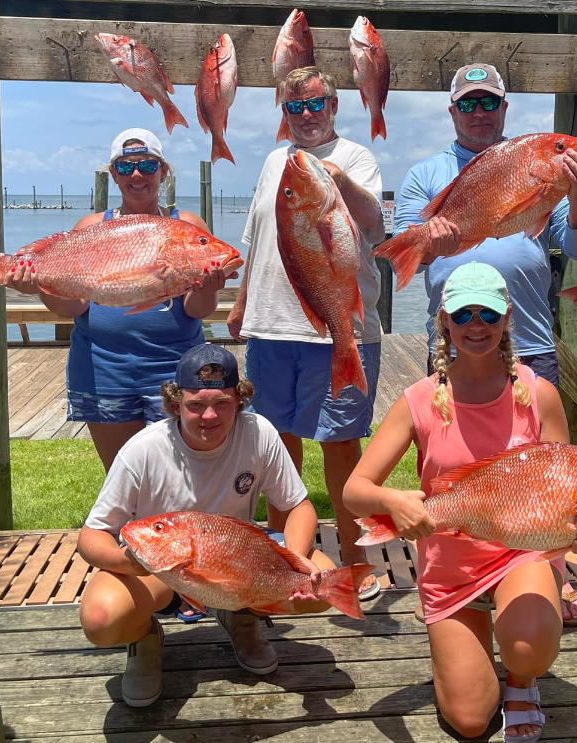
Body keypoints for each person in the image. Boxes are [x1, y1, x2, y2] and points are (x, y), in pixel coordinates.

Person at [393, 62, 577, 626]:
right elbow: (413, 240)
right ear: (453, 111)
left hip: (528, 346)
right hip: (456, 351)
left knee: (542, 479)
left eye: (489, 103)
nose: (479, 113)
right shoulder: (427, 173)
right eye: (469, 104)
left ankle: (550, 573)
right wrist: (428, 241)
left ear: (505, 111)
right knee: (459, 470)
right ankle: (461, 569)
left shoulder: (541, 163)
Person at [344, 263, 569, 742]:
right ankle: (465, 650)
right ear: (443, 318)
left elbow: (566, 485)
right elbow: (354, 490)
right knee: (469, 722)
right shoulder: (421, 400)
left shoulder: (538, 395)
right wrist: (393, 501)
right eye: (462, 315)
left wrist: (572, 541)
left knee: (528, 647)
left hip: (520, 552)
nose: (476, 326)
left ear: (507, 317)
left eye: (487, 314)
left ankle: (521, 679)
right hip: (450, 562)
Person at [77, 344, 337, 707]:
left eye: (222, 403)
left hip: (239, 561)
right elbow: (90, 535)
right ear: (175, 403)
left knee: (324, 583)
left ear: (239, 400)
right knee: (101, 617)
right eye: (195, 405)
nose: (209, 416)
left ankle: (242, 619)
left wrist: (295, 560)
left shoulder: (258, 432)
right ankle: (144, 639)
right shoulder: (143, 450)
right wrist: (129, 563)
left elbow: (299, 506)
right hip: (161, 566)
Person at [227, 67, 386, 602]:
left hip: (340, 328)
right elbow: (259, 241)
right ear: (284, 113)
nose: (308, 115)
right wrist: (242, 302)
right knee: (277, 449)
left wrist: (338, 181)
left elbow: (372, 224)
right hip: (270, 328)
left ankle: (356, 561)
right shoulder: (276, 161)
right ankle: (288, 559)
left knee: (341, 447)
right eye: (296, 108)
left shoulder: (357, 158)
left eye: (316, 104)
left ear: (335, 105)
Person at [7, 128, 232, 475]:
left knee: (182, 474)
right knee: (123, 475)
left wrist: (207, 286)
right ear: (113, 175)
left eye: (147, 165)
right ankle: (127, 530)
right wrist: (40, 286)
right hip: (103, 370)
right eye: (126, 167)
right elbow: (74, 308)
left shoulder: (187, 226)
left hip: (174, 368)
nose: (137, 174)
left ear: (163, 171)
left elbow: (197, 311)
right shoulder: (91, 227)